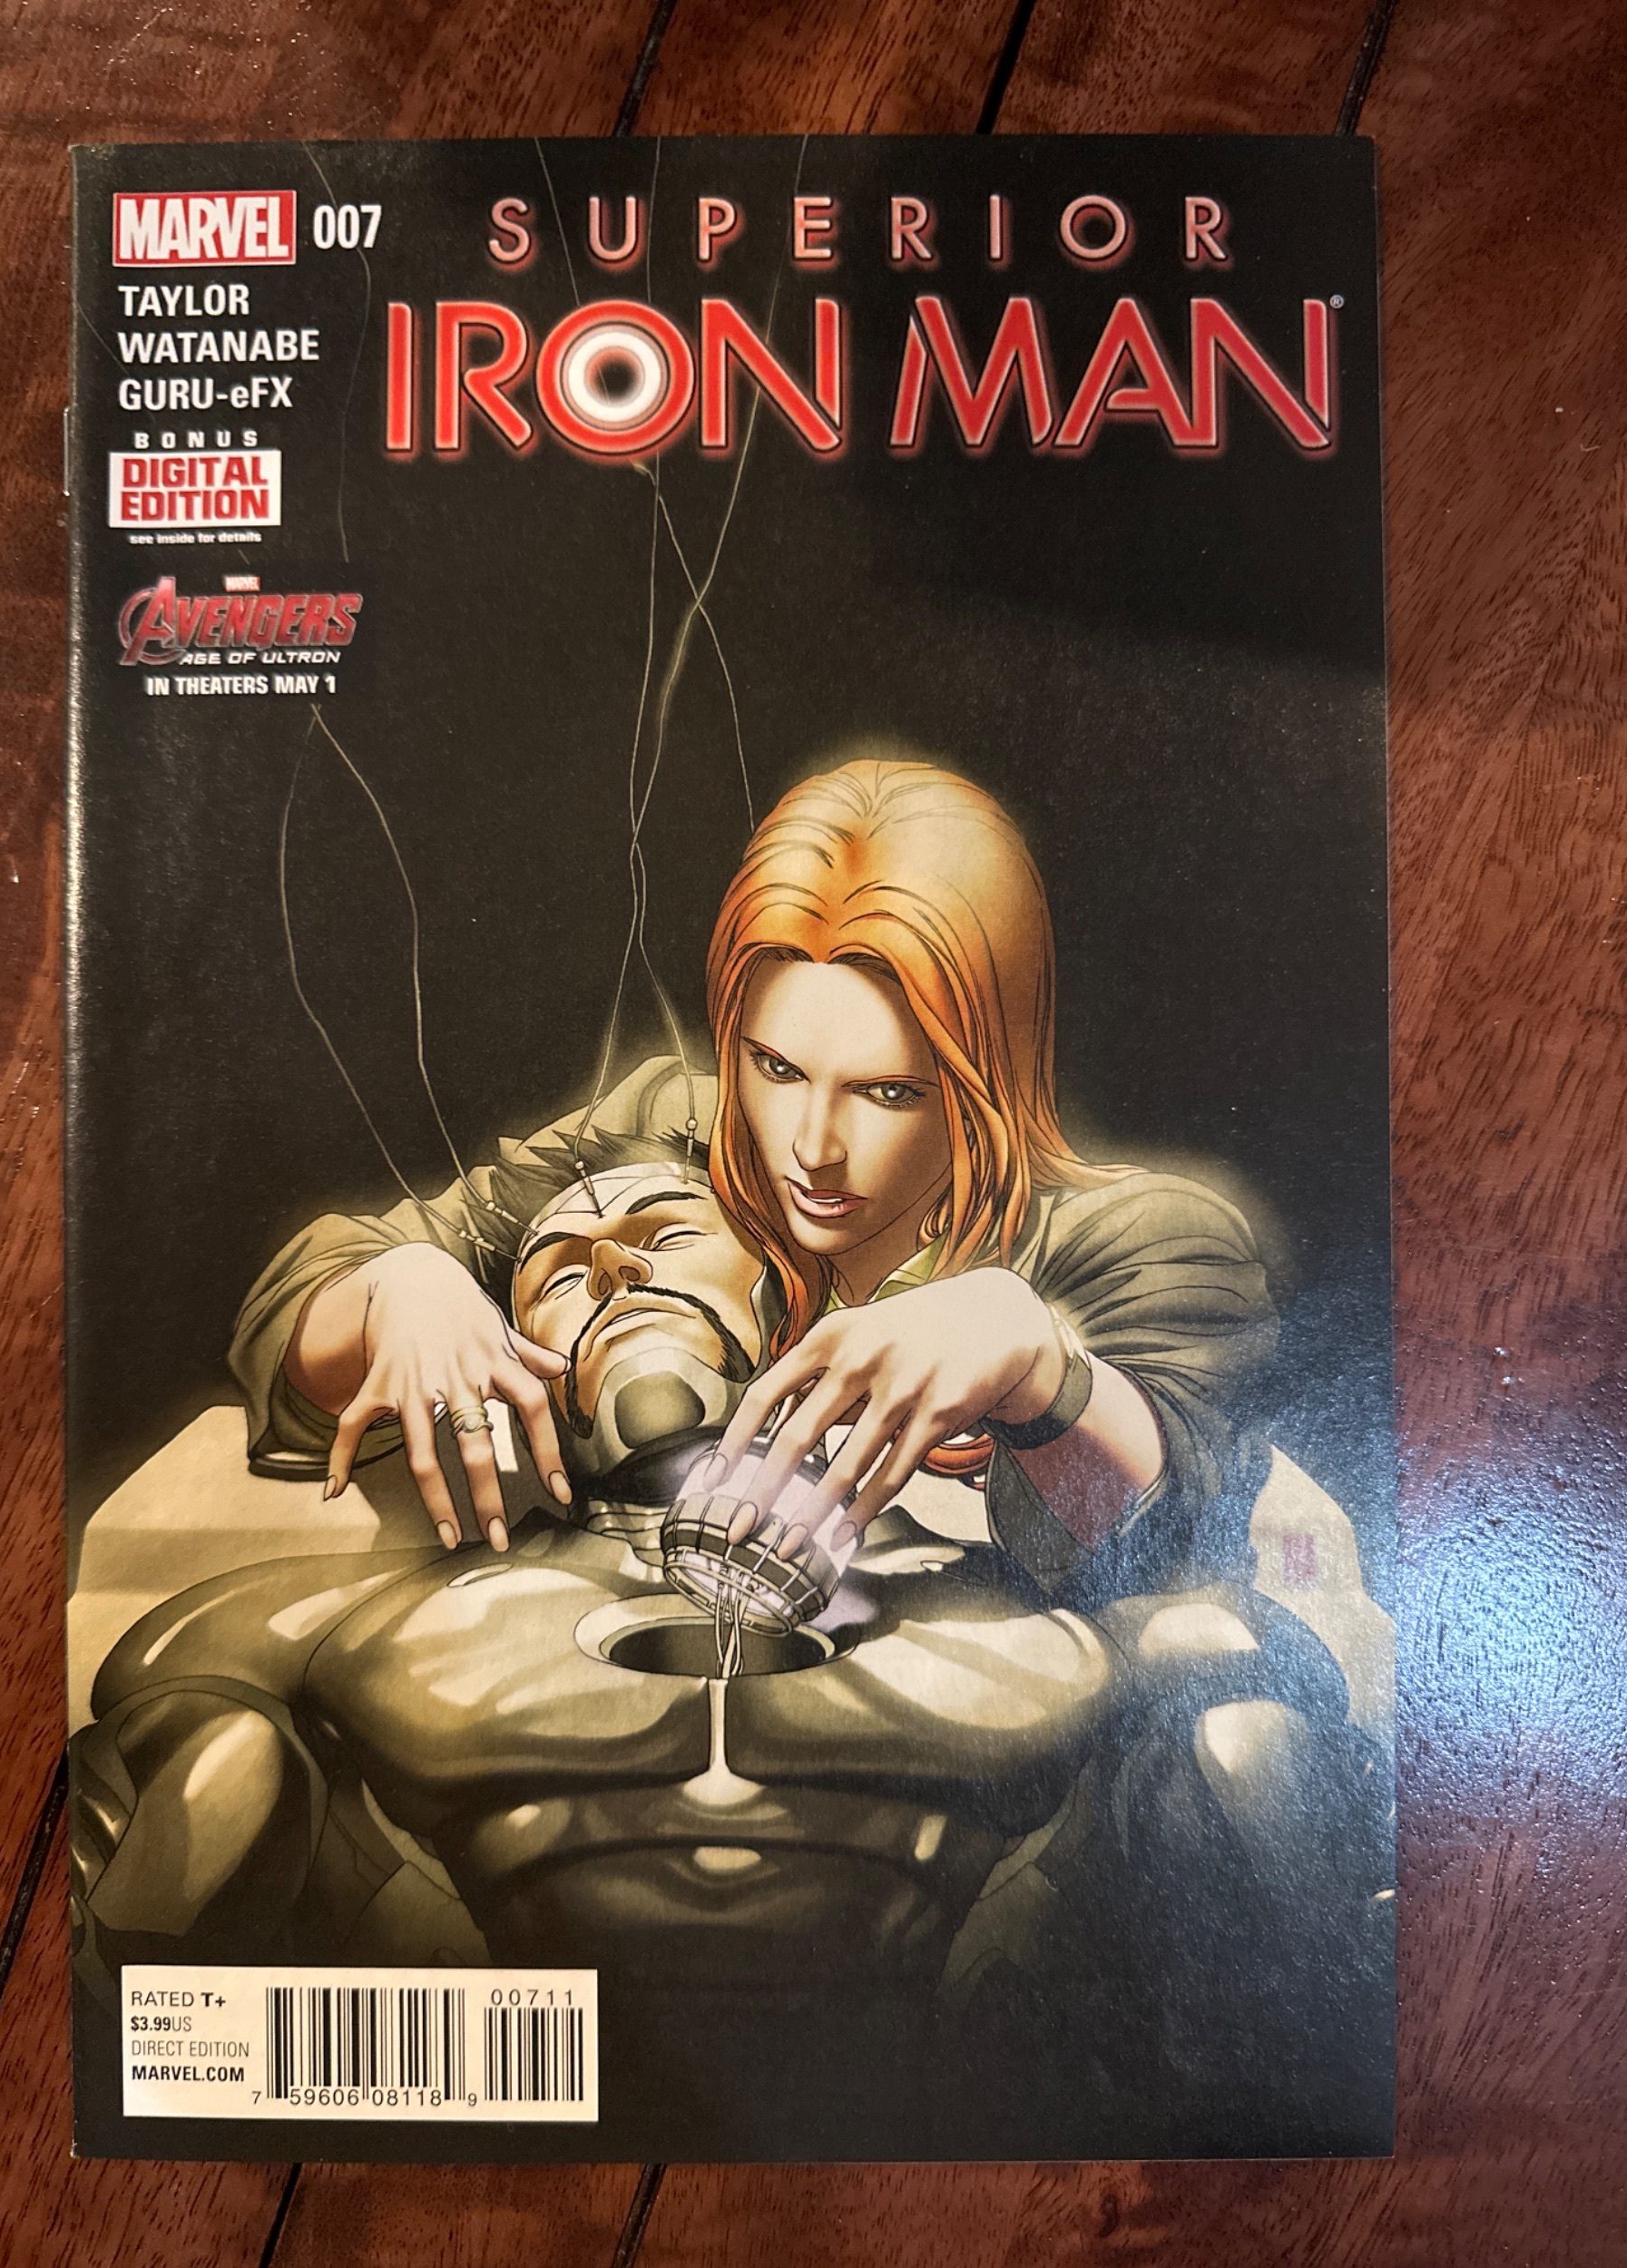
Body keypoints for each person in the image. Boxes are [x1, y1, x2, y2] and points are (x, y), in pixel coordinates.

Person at [82, 1139, 1377, 2154]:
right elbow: (180, 1669)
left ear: (780, 1302)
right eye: (558, 1272)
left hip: (974, 2093)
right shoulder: (392, 1617)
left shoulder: (999, 1600)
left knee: (1240, 1745)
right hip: (506, 2096)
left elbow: (1221, 1637)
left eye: (662, 1234)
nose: (611, 1270)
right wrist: (400, 1287)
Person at [232, 743, 1277, 1610]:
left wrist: (1034, 1366)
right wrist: (398, 1291)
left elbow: (1185, 1541)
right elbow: (305, 1304)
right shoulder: (667, 1131)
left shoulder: (1143, 1240)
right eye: (775, 1068)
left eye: (887, 1092)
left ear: (983, 1080)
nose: (810, 1147)